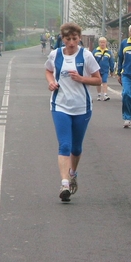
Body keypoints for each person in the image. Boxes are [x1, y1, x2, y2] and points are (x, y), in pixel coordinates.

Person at [45, 22, 102, 202]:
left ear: (79, 38)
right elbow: (48, 70)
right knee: (65, 145)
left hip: (81, 107)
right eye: (68, 39)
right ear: (63, 39)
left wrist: (81, 78)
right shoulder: (55, 54)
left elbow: (98, 80)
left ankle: (73, 173)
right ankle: (64, 183)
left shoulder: (86, 56)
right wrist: (51, 82)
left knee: (76, 148)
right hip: (60, 105)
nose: (71, 43)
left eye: (74, 39)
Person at [92, 37, 115, 101]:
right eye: (101, 42)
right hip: (97, 70)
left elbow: (111, 62)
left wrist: (112, 70)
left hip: (105, 70)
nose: (102, 44)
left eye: (104, 42)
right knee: (98, 82)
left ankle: (105, 94)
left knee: (104, 81)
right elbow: (91, 61)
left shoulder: (108, 52)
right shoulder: (95, 51)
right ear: (99, 43)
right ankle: (99, 94)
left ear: (106, 43)